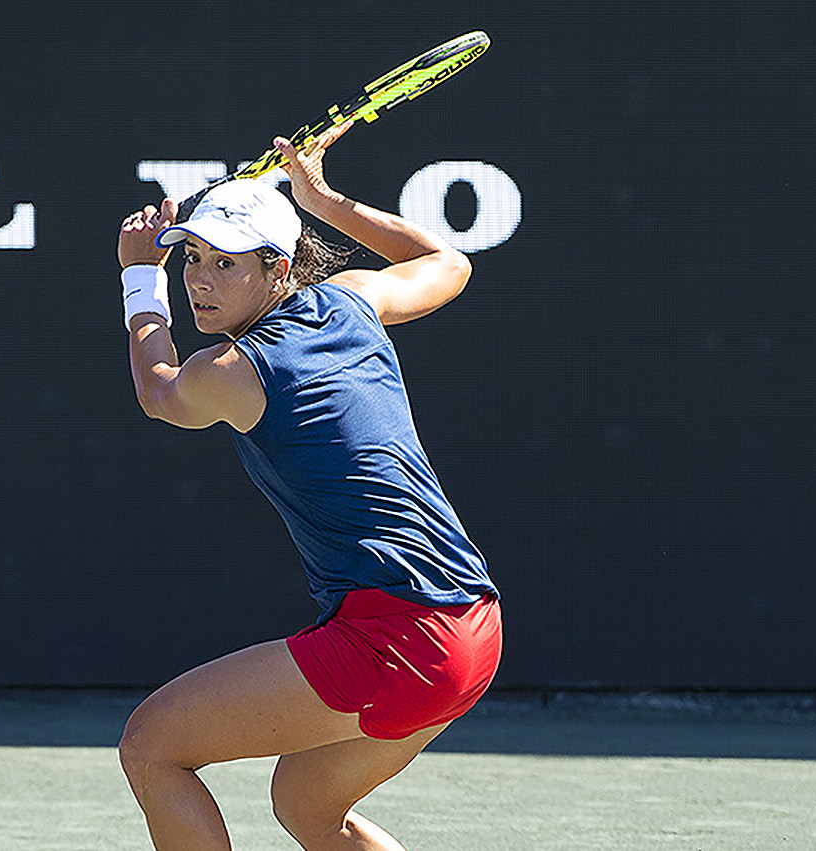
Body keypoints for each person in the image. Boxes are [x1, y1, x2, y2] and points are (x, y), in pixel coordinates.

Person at [114, 121, 501, 851]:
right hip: (473, 628)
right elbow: (446, 261)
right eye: (191, 257)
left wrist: (140, 275)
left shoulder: (235, 370)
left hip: (401, 637)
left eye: (225, 264)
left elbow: (162, 392)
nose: (198, 278)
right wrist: (324, 199)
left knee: (151, 745)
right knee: (307, 807)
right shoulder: (351, 300)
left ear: (277, 269)